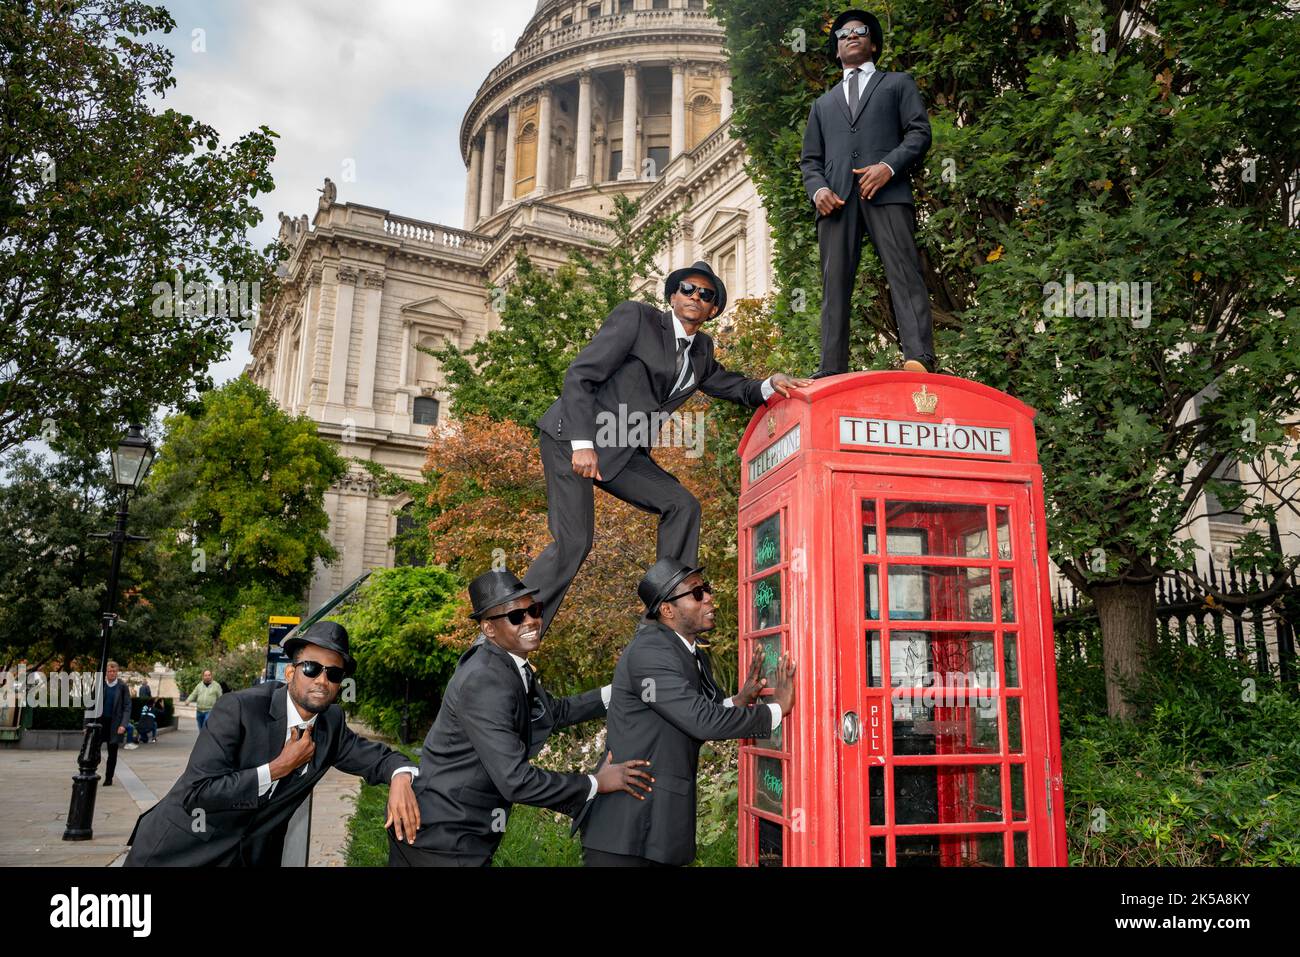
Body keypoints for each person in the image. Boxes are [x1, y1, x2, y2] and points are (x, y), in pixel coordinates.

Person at [526, 260, 811, 636]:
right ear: (673, 296)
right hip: (571, 438)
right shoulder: (637, 319)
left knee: (682, 505)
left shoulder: (701, 351)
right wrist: (582, 444)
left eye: (705, 294)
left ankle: (670, 611)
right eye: (687, 289)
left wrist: (768, 385)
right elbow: (581, 374)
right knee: (575, 542)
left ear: (713, 309)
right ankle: (516, 628)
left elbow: (731, 384)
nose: (695, 296)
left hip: (622, 451)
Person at [391, 569, 653, 867]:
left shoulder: (507, 664)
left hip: (453, 833)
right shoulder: (485, 680)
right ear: (488, 628)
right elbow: (515, 780)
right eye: (516, 616)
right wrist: (595, 783)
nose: (530, 621)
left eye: (534, 610)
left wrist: (617, 692)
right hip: (442, 840)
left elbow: (551, 713)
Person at [124, 621, 420, 866]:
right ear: (290, 672)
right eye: (311, 668)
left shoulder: (331, 723)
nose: (321, 680)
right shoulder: (238, 709)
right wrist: (277, 768)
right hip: (180, 852)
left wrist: (402, 778)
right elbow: (198, 793)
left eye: (334, 673)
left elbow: (382, 759)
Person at [577, 559, 796, 866]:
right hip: (626, 831)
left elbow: (694, 712)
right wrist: (778, 709)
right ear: (667, 610)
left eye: (706, 589)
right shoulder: (650, 653)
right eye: (696, 593)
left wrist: (739, 700)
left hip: (655, 826)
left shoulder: (688, 651)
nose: (708, 597)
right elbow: (701, 721)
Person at [800, 9, 935, 377]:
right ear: (837, 49)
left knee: (904, 273)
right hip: (836, 203)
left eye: (859, 31)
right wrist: (819, 191)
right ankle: (830, 368)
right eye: (843, 34)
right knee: (834, 284)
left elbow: (919, 133)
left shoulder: (897, 83)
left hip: (887, 192)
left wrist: (888, 167)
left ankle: (920, 357)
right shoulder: (822, 105)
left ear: (873, 43)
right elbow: (810, 160)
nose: (851, 36)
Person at [96, 660, 130, 785]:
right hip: (100, 723)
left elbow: (127, 706)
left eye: (114, 671)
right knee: (95, 749)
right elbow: (91, 706)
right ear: (106, 672)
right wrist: (86, 725)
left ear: (117, 672)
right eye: (109, 671)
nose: (111, 673)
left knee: (112, 753)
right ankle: (92, 771)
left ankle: (108, 778)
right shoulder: (100, 685)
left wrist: (123, 724)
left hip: (115, 724)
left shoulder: (122, 687)